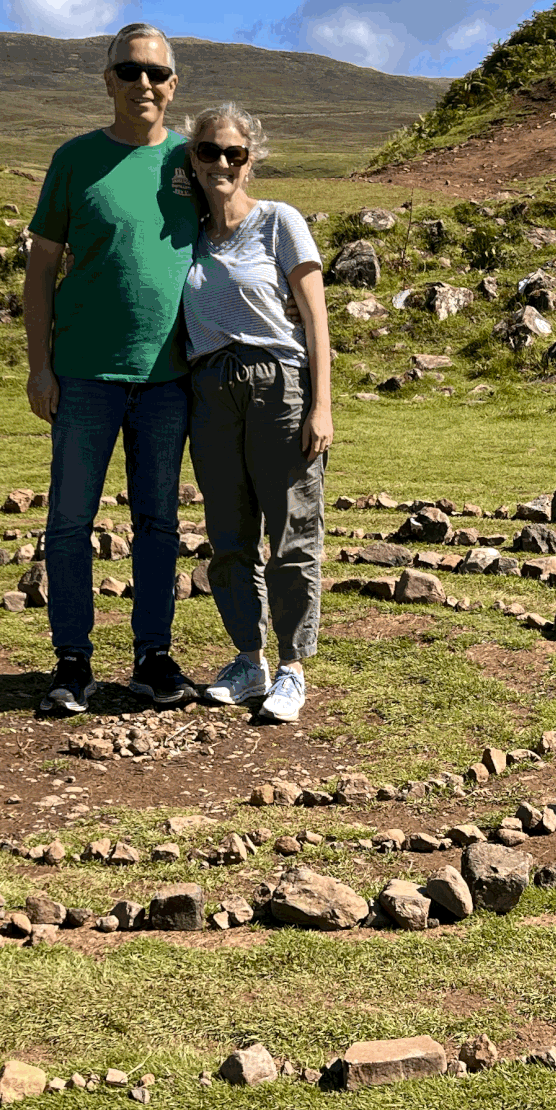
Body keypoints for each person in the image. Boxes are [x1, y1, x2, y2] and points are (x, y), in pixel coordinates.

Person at [21, 21, 200, 716]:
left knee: (158, 521)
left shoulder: (194, 159)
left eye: (156, 73)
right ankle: (72, 661)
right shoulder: (73, 160)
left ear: (174, 84)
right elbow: (40, 272)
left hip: (168, 378)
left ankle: (154, 657)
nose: (144, 84)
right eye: (130, 71)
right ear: (108, 80)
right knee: (70, 519)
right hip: (86, 374)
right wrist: (40, 366)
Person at [178, 101, 333, 724]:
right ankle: (249, 660)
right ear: (193, 158)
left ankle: (293, 668)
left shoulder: (278, 222)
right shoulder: (185, 232)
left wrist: (321, 404)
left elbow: (316, 317)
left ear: (251, 160)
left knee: (292, 531)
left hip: (278, 383)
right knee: (229, 535)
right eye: (210, 151)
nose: (221, 162)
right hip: (210, 388)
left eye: (234, 153)